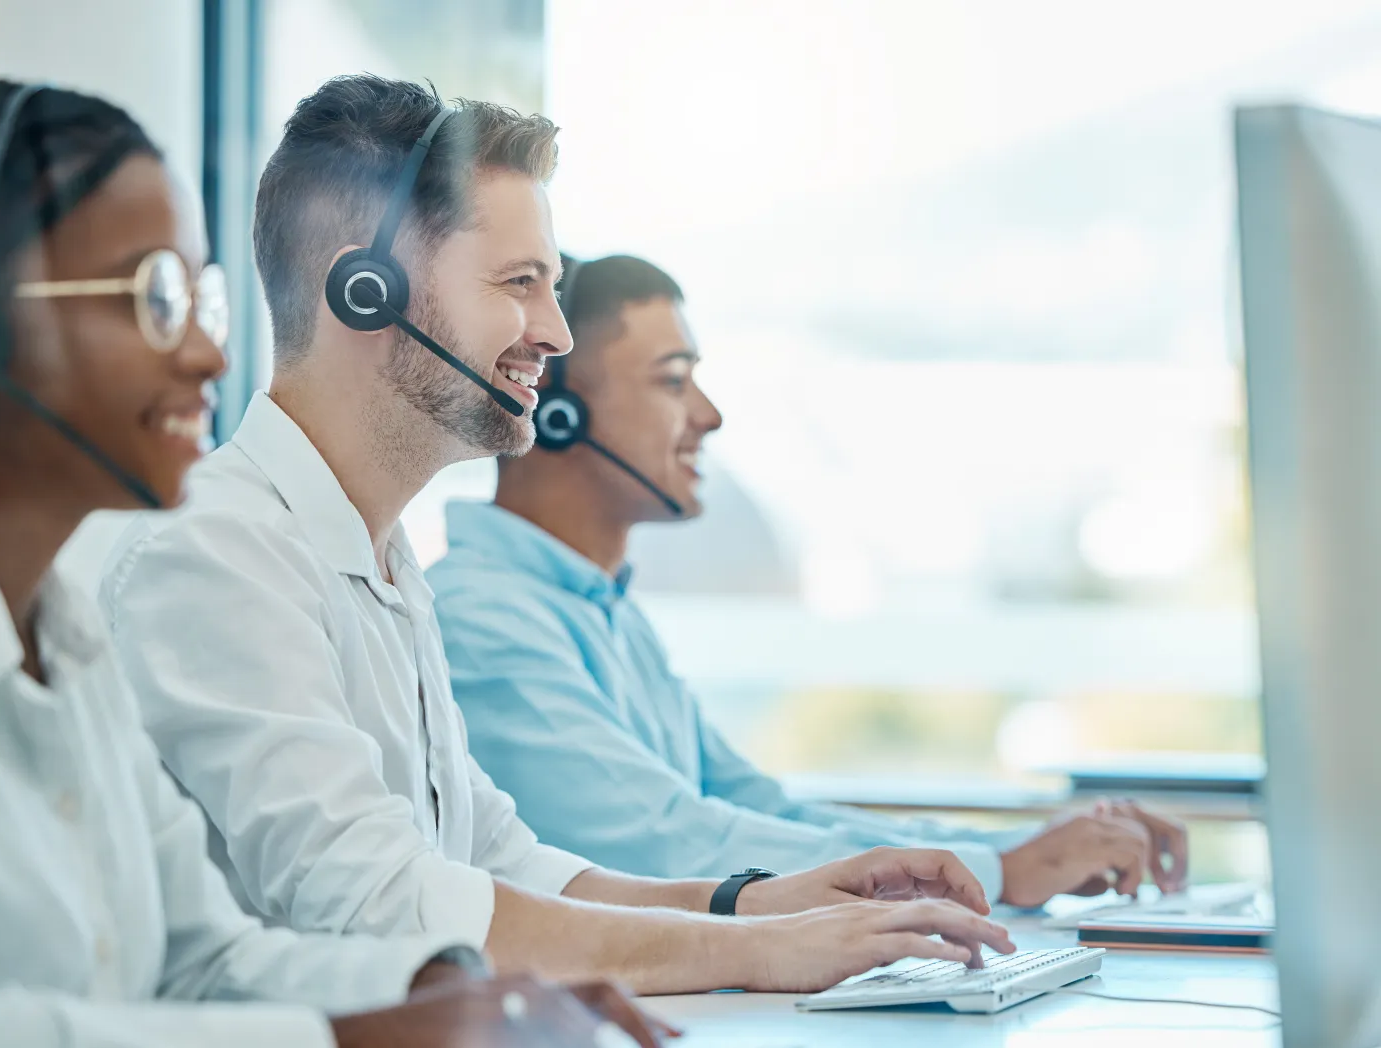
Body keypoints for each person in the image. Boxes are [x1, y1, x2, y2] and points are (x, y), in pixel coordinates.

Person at [0, 81, 670, 1048]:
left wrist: (450, 992)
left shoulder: (63, 630)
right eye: (156, 299)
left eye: (200, 295)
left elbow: (204, 963)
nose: (208, 353)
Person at [98, 74, 1016, 998]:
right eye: (519, 284)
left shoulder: (383, 566)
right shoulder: (216, 555)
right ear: (366, 291)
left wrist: (764, 905)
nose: (556, 331)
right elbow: (379, 903)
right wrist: (758, 954)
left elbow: (508, 866)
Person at [428, 253, 1190, 909]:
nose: (709, 415)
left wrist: (1017, 852)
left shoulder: (597, 608)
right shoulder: (483, 619)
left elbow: (753, 806)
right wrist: (1004, 872)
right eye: (673, 381)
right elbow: (669, 842)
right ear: (554, 409)